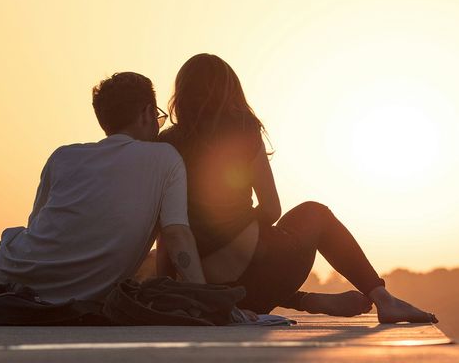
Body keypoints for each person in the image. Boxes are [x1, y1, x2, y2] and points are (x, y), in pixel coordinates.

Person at [157, 54, 437, 323]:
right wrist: (240, 227)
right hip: (259, 274)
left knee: (251, 259)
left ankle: (305, 301)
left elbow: (166, 230)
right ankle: (384, 300)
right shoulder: (243, 128)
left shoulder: (166, 144)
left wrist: (171, 286)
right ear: (231, 92)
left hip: (207, 286)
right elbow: (271, 209)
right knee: (315, 213)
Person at [0, 72, 207, 302]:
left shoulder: (63, 157)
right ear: (147, 113)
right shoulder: (166, 158)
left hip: (6, 280)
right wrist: (209, 302)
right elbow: (176, 235)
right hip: (73, 296)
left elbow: (39, 228)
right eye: (158, 117)